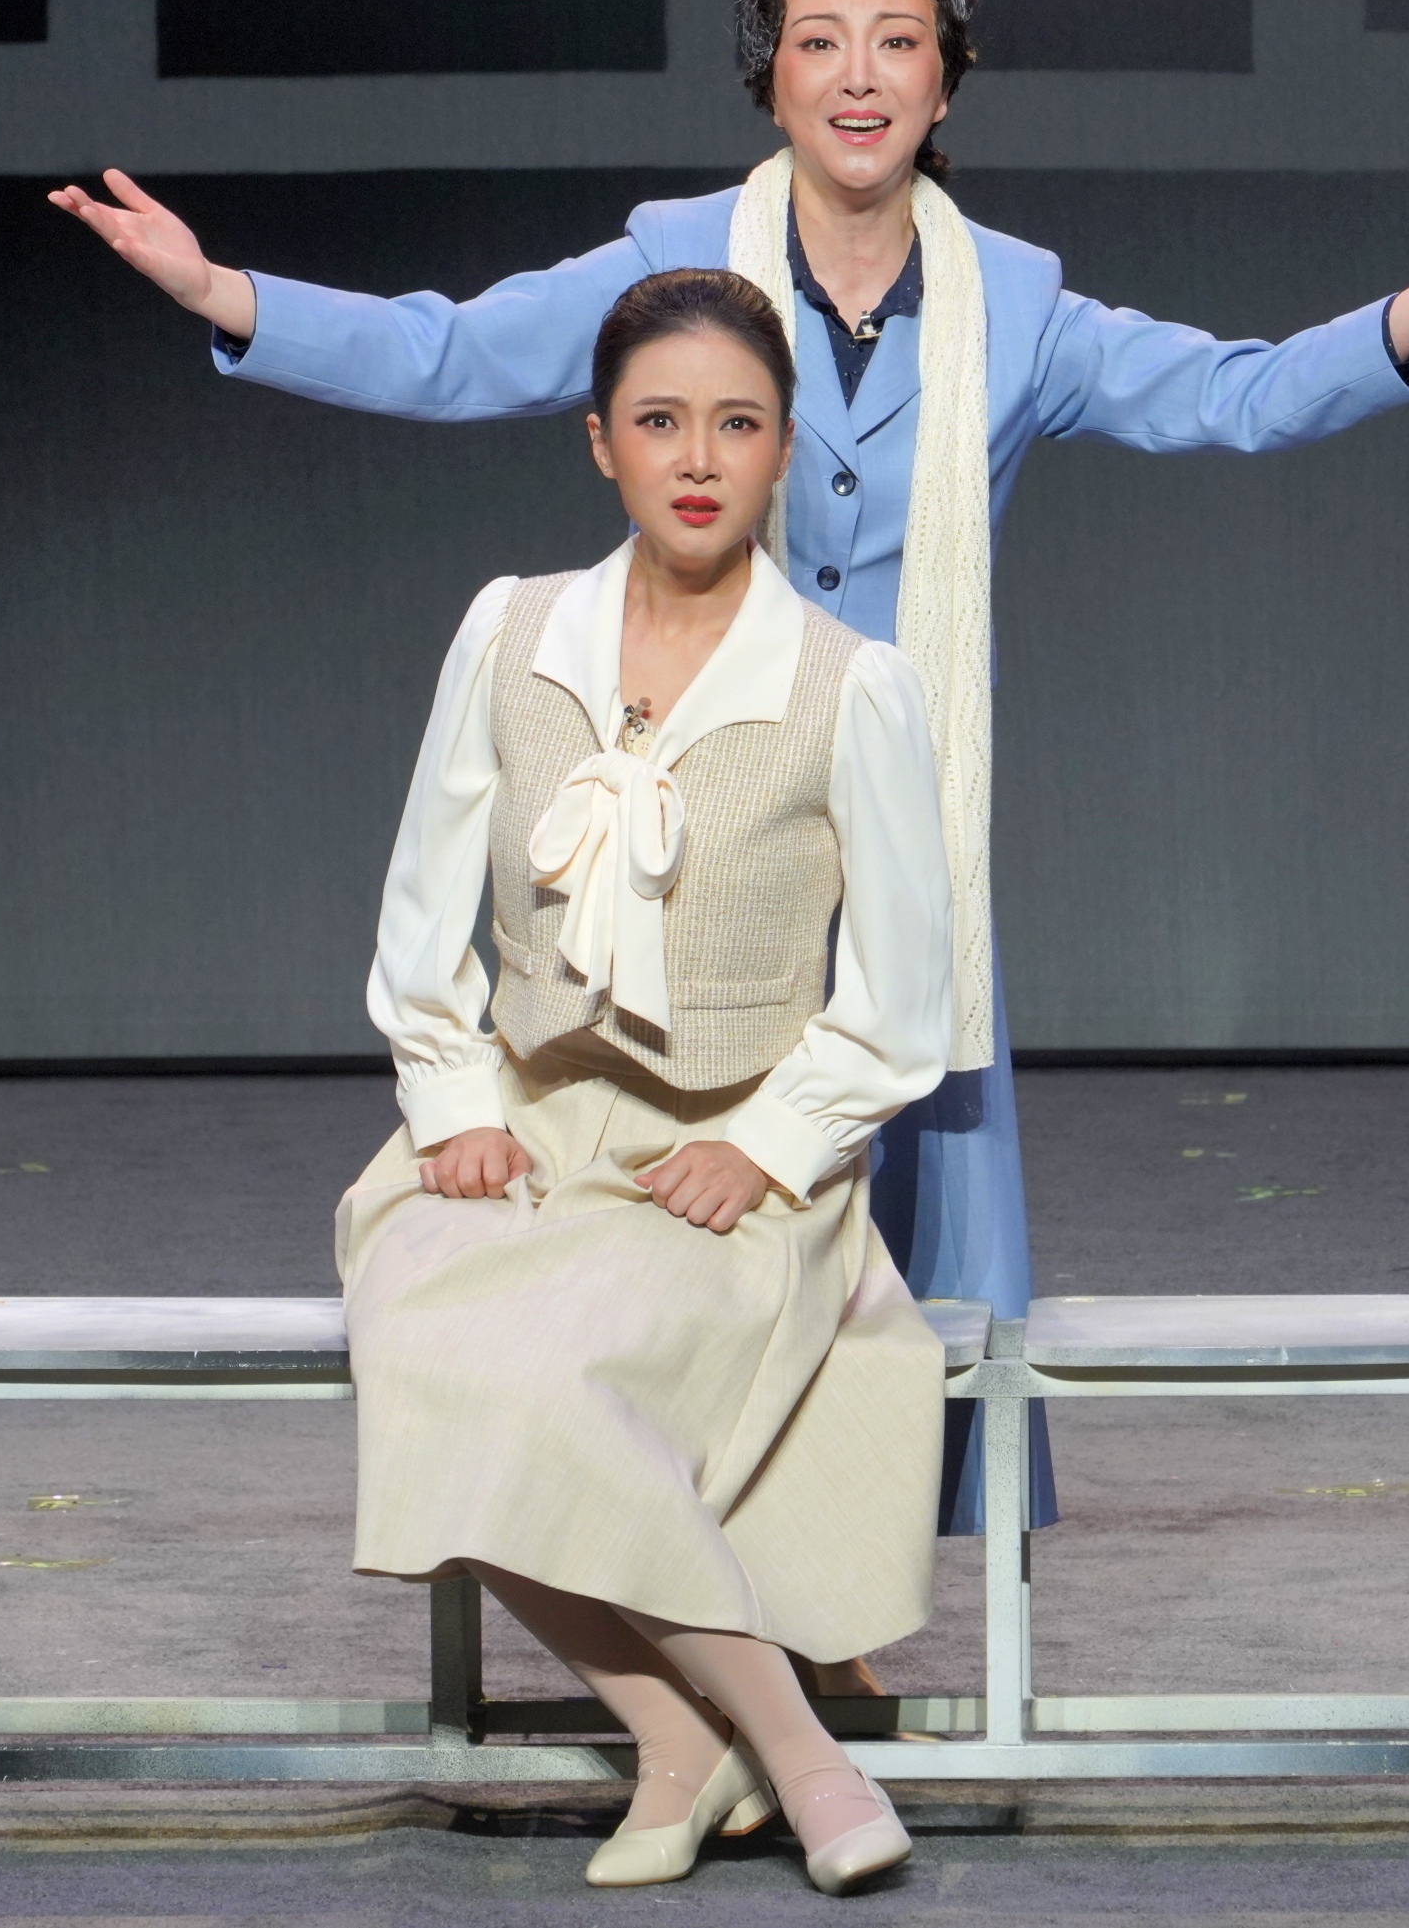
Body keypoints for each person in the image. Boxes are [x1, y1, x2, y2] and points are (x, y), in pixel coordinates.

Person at [49, 0, 1409, 1539]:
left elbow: (1237, 394)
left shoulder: (1015, 304)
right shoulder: (675, 267)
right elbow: (451, 353)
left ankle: (871, 1586)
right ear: (769, 79)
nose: (860, 76)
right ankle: (678, 1527)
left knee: (924, 1253)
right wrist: (225, 293)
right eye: (821, 42)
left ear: (946, 82)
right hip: (716, 833)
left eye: (897, 43)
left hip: (901, 826)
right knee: (680, 1238)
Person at [338, 265, 952, 1893]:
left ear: (783, 451)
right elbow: (423, 906)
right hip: (529, 1125)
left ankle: (749, 1751)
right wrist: (456, 1106)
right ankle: (724, 1739)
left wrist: (770, 1145)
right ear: (600, 440)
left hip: (729, 1156)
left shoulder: (850, 685)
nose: (697, 457)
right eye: (661, 420)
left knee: (554, 1376)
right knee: (429, 1343)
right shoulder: (512, 630)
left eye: (737, 424)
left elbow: (905, 998)